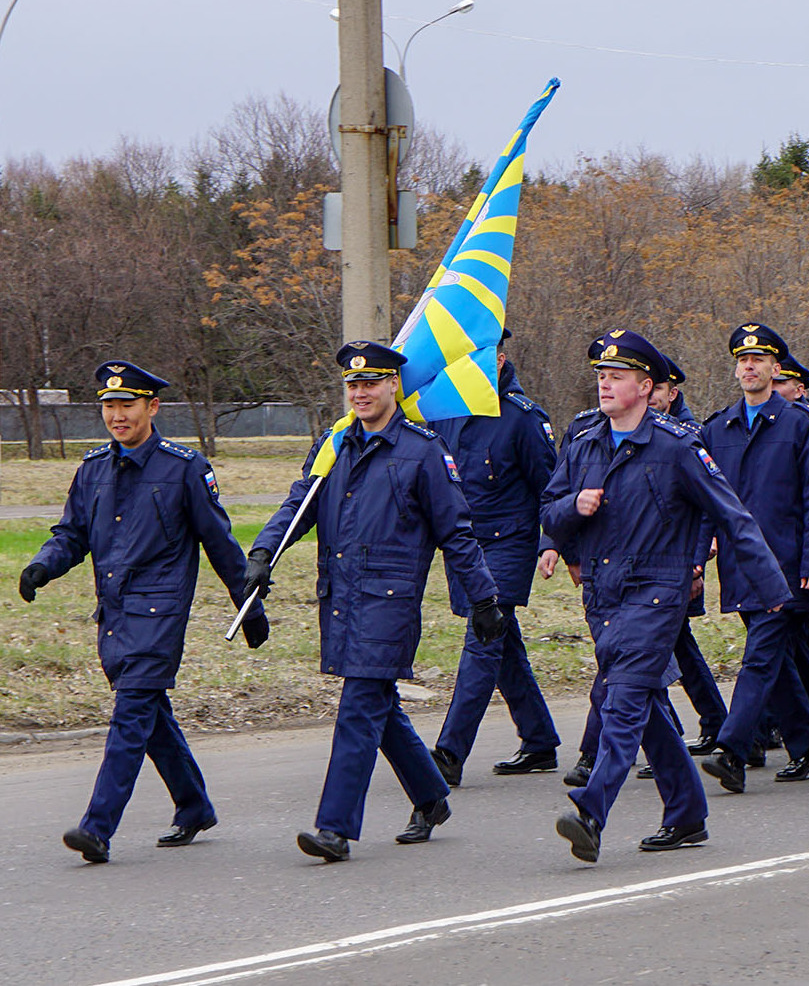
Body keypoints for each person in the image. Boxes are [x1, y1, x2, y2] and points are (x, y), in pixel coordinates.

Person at [249, 341, 501, 863]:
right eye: (353, 385)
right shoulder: (335, 444)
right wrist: (261, 555)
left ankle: (335, 828)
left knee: (358, 706)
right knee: (378, 705)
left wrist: (484, 598)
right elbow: (300, 505)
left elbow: (456, 532)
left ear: (393, 386)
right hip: (340, 595)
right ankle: (431, 797)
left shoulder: (423, 451)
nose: (361, 392)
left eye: (371, 383)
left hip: (389, 600)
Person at [543, 330, 789, 861]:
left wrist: (771, 588)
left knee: (623, 700)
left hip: (657, 592)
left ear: (646, 385)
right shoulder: (584, 442)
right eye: (601, 377)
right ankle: (686, 814)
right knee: (648, 704)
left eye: (618, 377)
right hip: (603, 597)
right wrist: (572, 510)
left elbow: (733, 516)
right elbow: (548, 511)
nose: (605, 384)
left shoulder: (677, 446)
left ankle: (591, 810)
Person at [22, 362, 264, 864]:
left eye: (126, 405)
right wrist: (43, 566)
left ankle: (98, 827)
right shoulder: (92, 468)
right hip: (113, 615)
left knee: (131, 716)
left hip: (160, 614)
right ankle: (194, 805)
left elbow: (221, 544)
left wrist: (249, 605)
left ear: (152, 407)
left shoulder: (184, 468)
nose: (116, 415)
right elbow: (73, 535)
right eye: (109, 406)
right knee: (151, 716)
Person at [697, 323, 809, 792]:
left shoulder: (802, 427)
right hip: (740, 566)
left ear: (776, 369)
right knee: (778, 657)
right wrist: (698, 557)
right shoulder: (719, 429)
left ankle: (732, 749)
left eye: (758, 361)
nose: (749, 367)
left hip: (788, 564)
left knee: (759, 658)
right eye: (742, 360)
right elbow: (705, 501)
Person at [429, 331, 561, 786]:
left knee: (482, 640)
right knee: (502, 643)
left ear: (502, 360)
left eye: (484, 358)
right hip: (465, 548)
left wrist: (554, 542)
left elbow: (552, 489)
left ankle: (448, 752)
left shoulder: (523, 419)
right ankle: (539, 739)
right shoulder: (445, 412)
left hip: (508, 545)